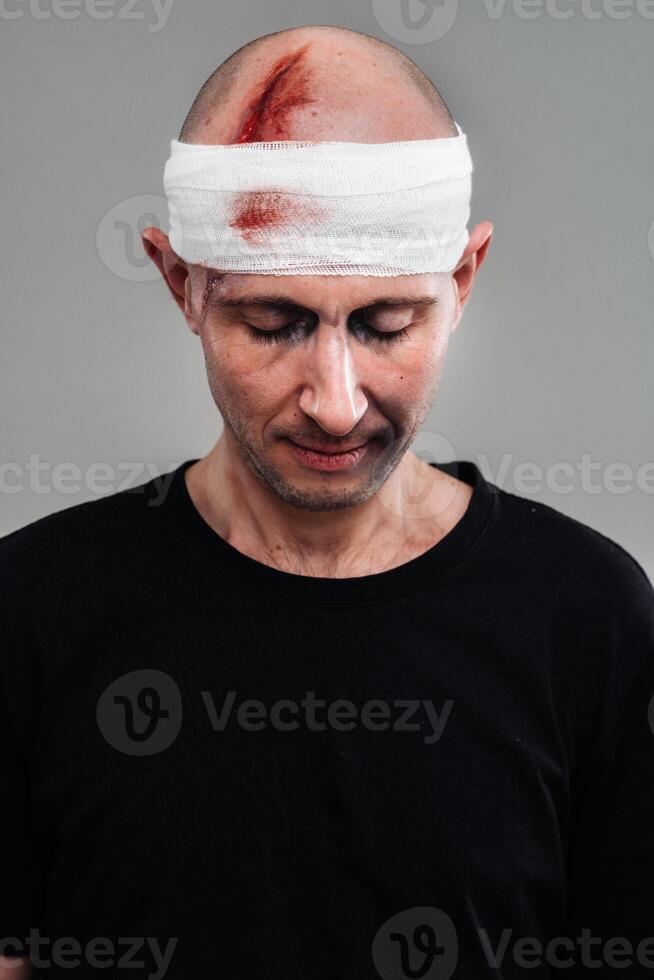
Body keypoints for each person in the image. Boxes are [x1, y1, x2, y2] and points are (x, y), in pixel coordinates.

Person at [1, 24, 653, 980]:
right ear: (182, 285)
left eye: (388, 324)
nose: (335, 400)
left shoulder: (587, 616)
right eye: (273, 323)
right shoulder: (32, 609)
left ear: (463, 280)